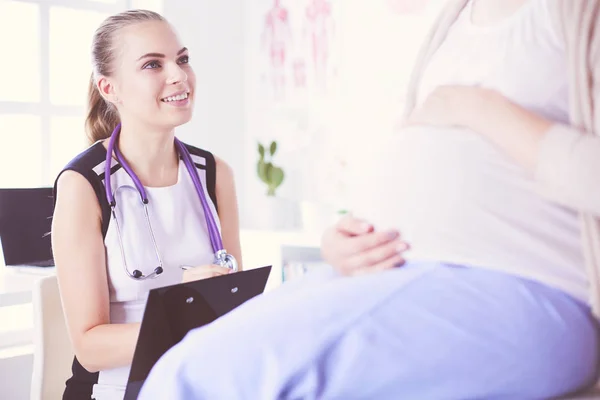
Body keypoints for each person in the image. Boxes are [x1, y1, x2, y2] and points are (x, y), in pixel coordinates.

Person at [138, 0, 600, 398]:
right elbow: (436, 168)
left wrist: (477, 107)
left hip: (525, 286)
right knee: (182, 369)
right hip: (397, 273)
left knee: (196, 380)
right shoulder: (457, 21)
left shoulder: (578, 15)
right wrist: (351, 236)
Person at [50, 9, 243, 400]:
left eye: (183, 59)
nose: (179, 75)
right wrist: (183, 312)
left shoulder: (214, 173)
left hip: (195, 382)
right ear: (109, 89)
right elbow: (89, 349)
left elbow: (235, 303)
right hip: (117, 389)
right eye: (153, 64)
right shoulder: (83, 185)